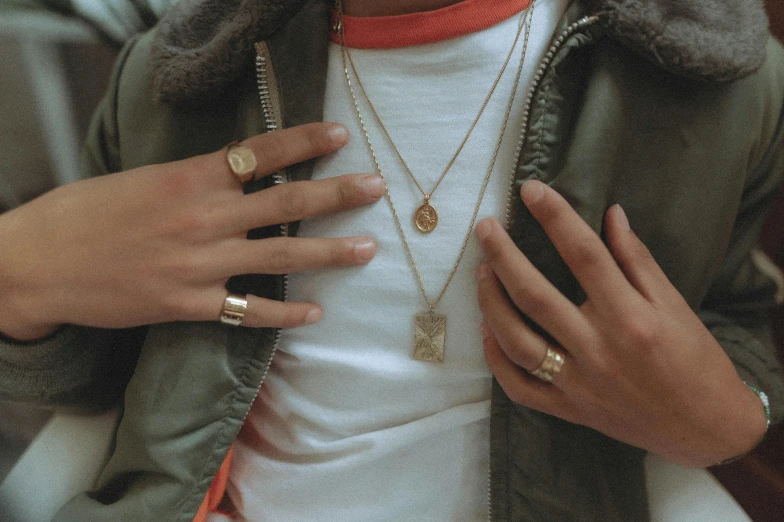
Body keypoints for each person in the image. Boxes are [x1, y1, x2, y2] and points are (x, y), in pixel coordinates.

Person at [1, 0, 783, 520]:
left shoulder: (714, 88)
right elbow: (105, 379)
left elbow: (736, 321)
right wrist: (20, 267)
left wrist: (733, 416)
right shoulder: (173, 82)